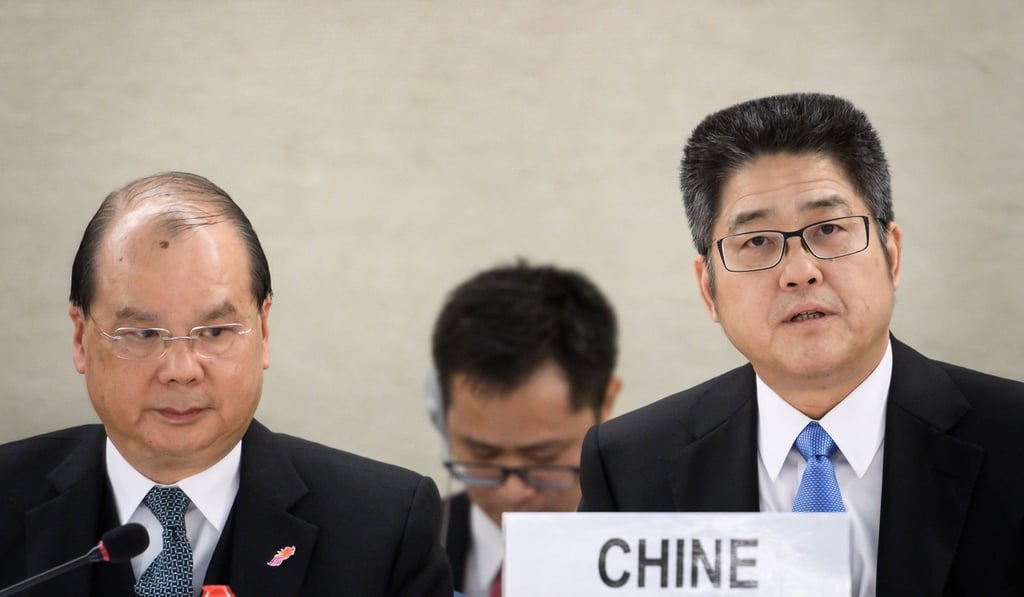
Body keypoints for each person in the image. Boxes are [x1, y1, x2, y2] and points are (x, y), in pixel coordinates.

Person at [578, 93, 1024, 596]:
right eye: (756, 241)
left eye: (829, 228)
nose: (800, 271)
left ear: (892, 255)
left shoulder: (1015, 438)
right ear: (708, 289)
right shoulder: (628, 469)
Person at [0, 172, 453, 596]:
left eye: (215, 331)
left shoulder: (383, 527)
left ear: (264, 331)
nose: (182, 370)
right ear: (80, 338)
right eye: (144, 333)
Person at [429, 261, 621, 597]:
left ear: (605, 402)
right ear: (443, 412)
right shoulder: (397, 551)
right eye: (482, 455)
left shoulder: (664, 550)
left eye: (543, 457)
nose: (512, 493)